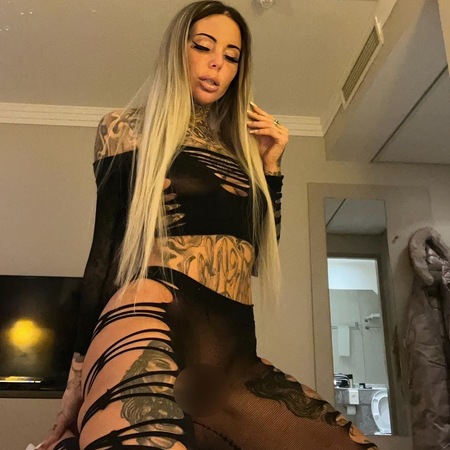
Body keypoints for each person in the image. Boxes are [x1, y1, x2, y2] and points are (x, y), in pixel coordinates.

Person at [41, 2, 378, 449]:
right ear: (177, 51)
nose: (218, 62)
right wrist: (76, 380)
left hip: (233, 349)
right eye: (203, 46)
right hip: (151, 319)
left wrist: (270, 167)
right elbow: (104, 252)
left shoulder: (238, 151)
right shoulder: (127, 128)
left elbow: (256, 255)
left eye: (232, 56)